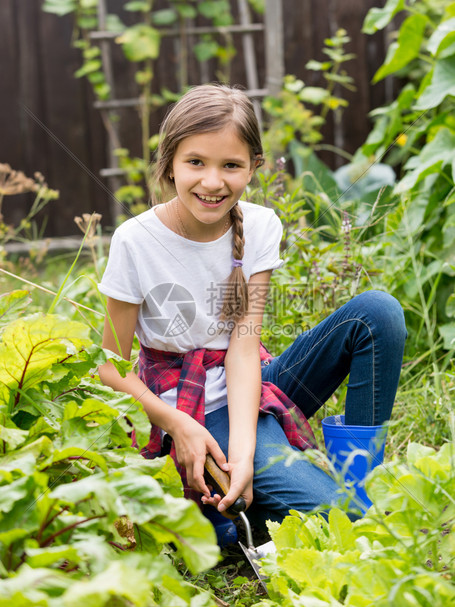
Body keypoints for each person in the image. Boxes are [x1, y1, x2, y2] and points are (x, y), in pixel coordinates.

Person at [98, 83, 407, 542]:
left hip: (252, 386)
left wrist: (243, 453)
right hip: (190, 406)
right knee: (343, 526)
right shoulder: (135, 240)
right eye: (196, 162)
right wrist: (179, 424)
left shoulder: (261, 225)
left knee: (376, 313)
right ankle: (229, 521)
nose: (212, 181)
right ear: (169, 163)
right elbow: (109, 367)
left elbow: (243, 350)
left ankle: (359, 485)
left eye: (231, 166)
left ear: (254, 167)